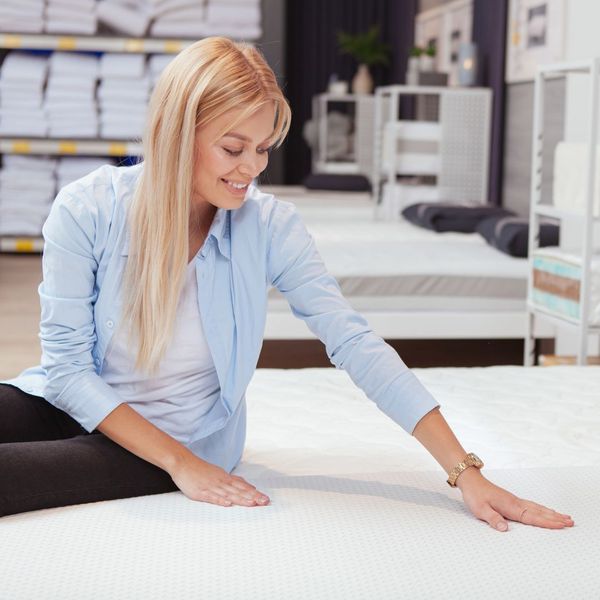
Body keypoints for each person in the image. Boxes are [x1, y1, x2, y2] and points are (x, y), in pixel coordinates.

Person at [0, 37, 573, 532]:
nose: (252, 168)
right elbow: (69, 370)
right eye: (233, 148)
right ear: (178, 133)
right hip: (74, 403)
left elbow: (353, 343)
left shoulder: (269, 226)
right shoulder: (88, 208)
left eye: (263, 150)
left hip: (180, 440)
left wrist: (464, 472)